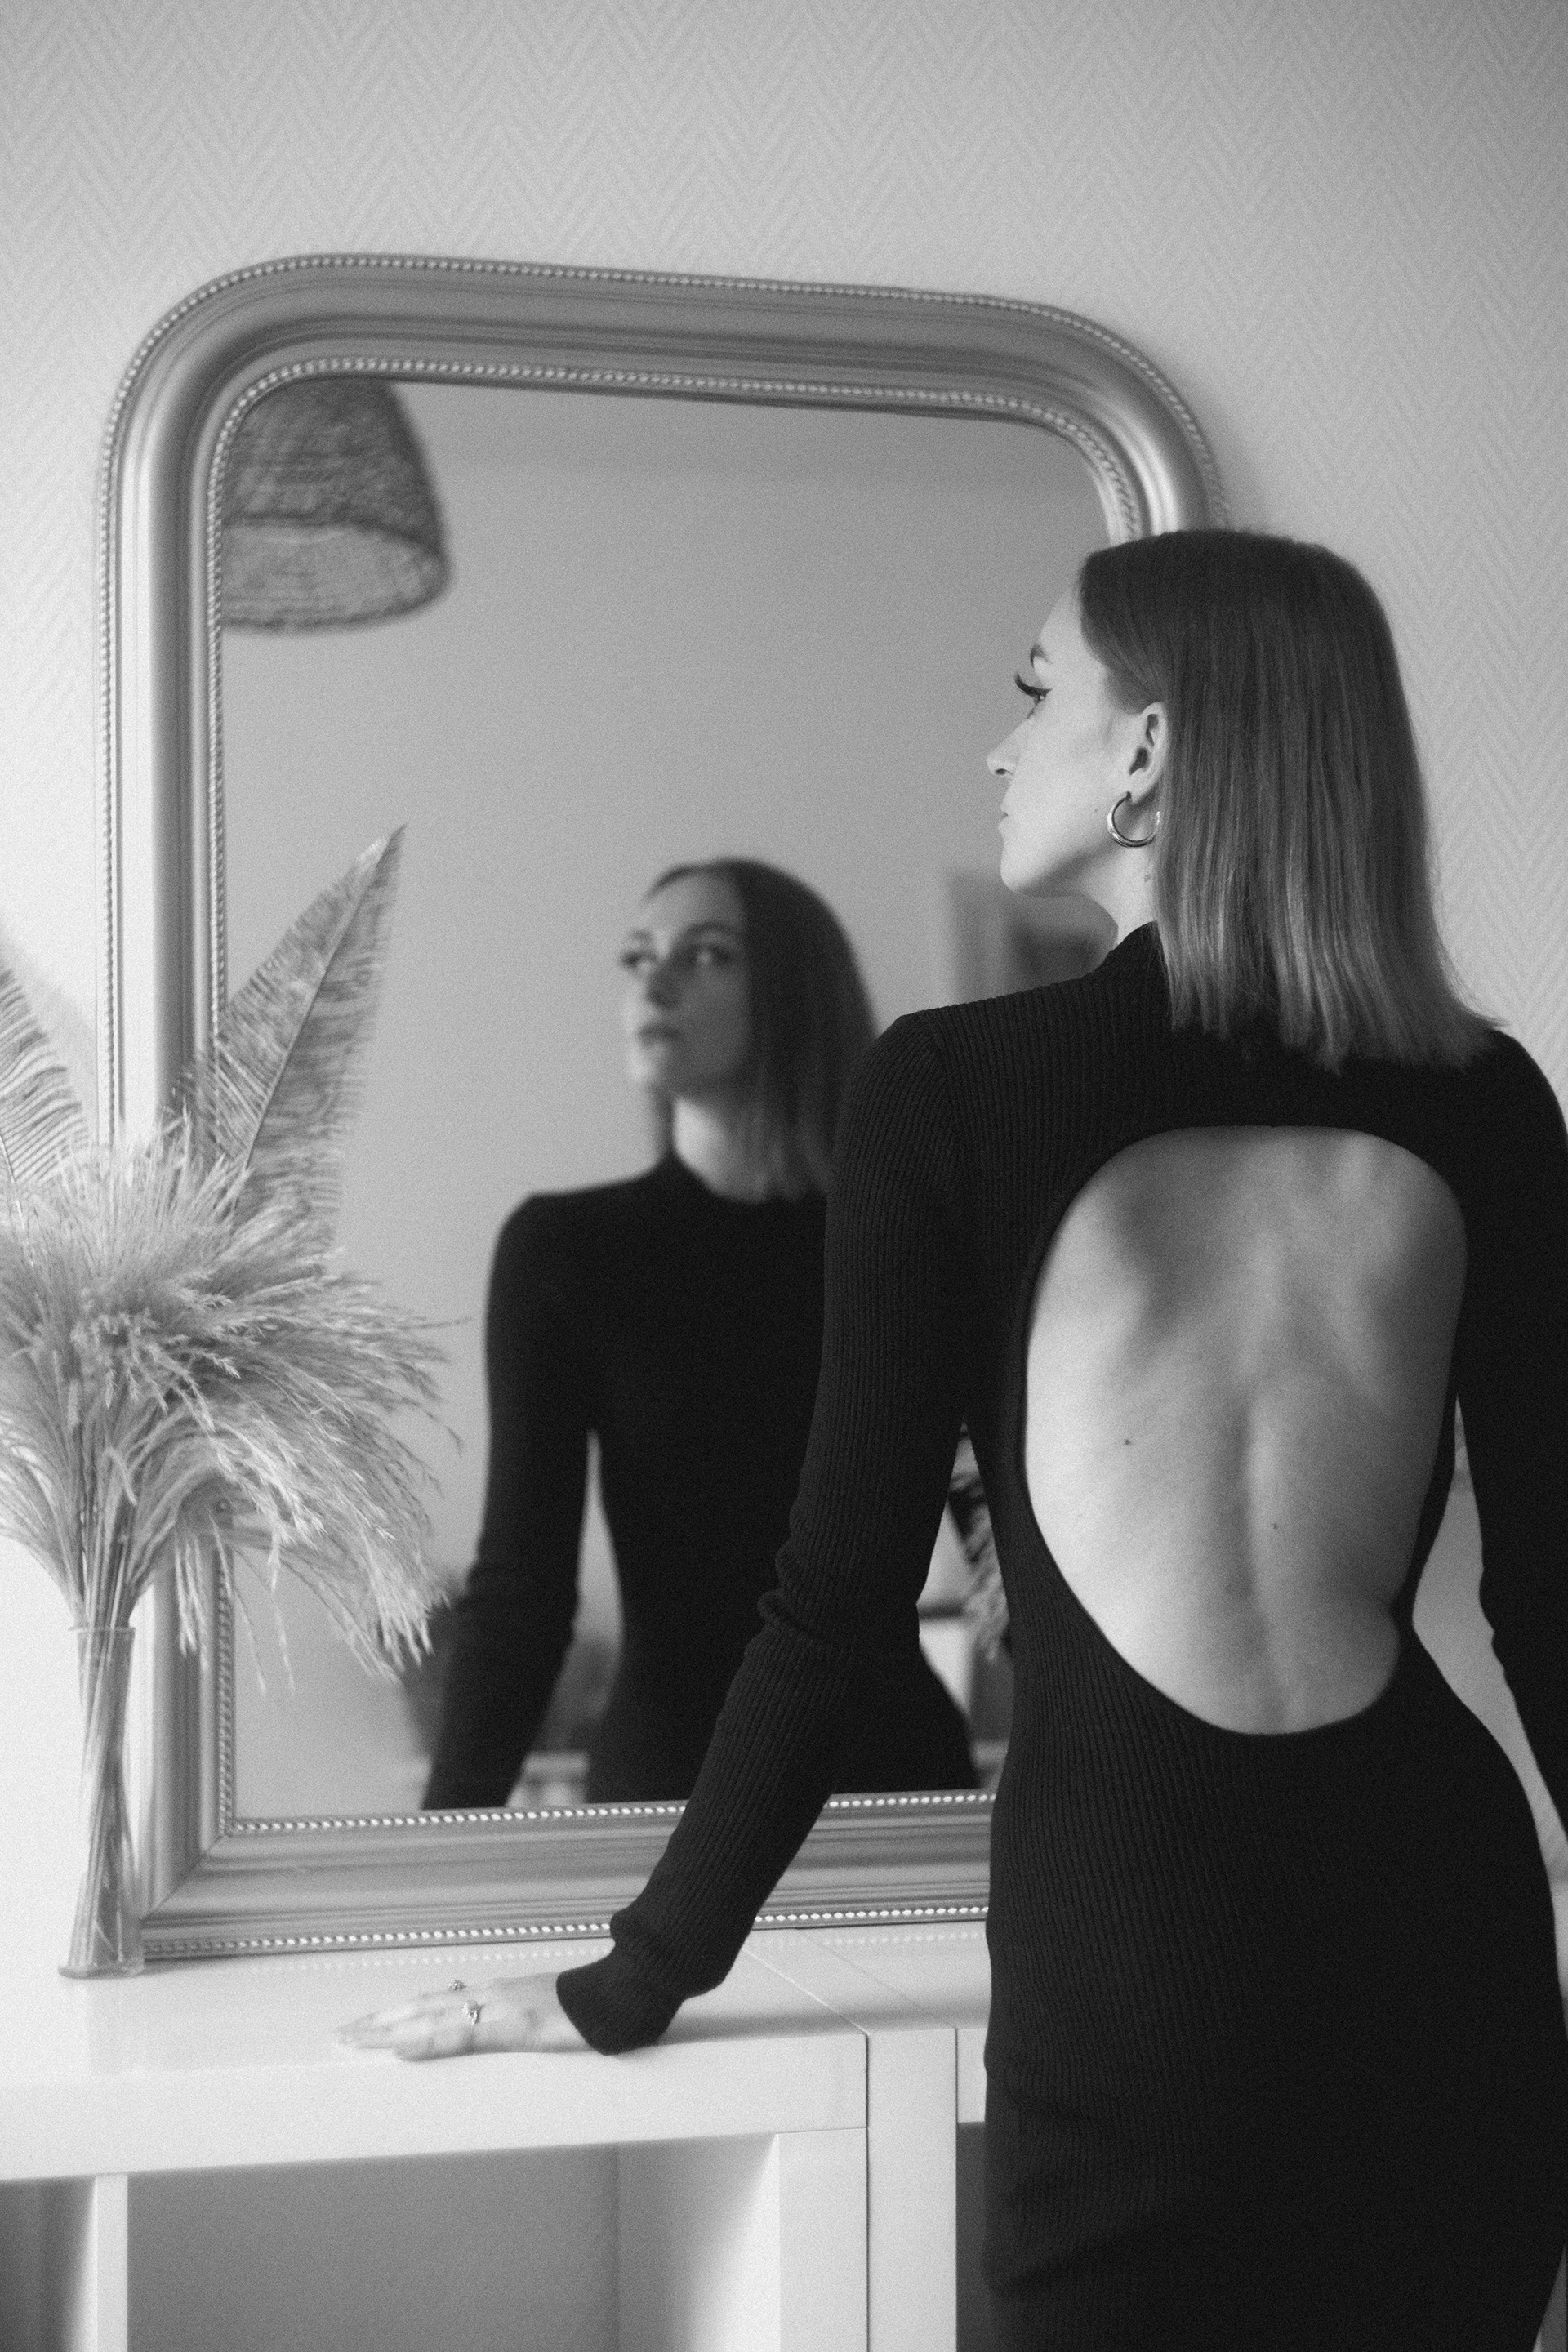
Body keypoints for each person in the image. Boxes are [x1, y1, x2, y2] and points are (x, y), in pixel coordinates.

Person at [347, 532, 1568, 2347]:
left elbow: (832, 1601)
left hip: (1139, 1940)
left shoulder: (950, 1086)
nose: (1001, 748)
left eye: (1034, 691)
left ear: (1148, 749)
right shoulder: (1488, 1096)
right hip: (1442, 1920)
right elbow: (1550, 1600)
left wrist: (636, 1976)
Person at [422, 854, 977, 1807]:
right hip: (669, 1789)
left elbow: (1011, 1554)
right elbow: (520, 1594)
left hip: (895, 1788)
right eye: (639, 957)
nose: (655, 983)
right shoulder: (567, 1252)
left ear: (794, 992)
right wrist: (436, 1849)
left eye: (707, 954)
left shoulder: (914, 1244)